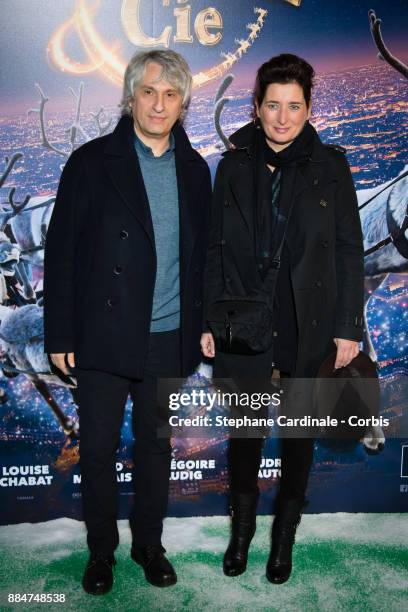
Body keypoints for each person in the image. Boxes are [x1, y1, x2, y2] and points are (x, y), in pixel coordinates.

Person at [44, 49, 211, 595]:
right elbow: (62, 253)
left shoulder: (195, 169)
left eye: (170, 95)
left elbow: (204, 257)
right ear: (131, 96)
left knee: (155, 449)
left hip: (167, 336)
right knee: (95, 450)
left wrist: (204, 321)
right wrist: (61, 334)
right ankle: (101, 552)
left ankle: (148, 544)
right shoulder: (91, 162)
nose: (159, 104)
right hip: (104, 335)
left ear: (182, 102)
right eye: (149, 92)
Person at [201, 54, 364, 584]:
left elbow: (347, 249)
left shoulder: (331, 166)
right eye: (273, 105)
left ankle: (283, 540)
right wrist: (207, 318)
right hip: (244, 318)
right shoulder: (231, 165)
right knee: (245, 433)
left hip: (308, 319)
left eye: (294, 106)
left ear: (309, 108)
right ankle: (242, 536)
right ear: (256, 106)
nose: (282, 118)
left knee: (299, 435)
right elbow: (212, 250)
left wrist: (348, 327)